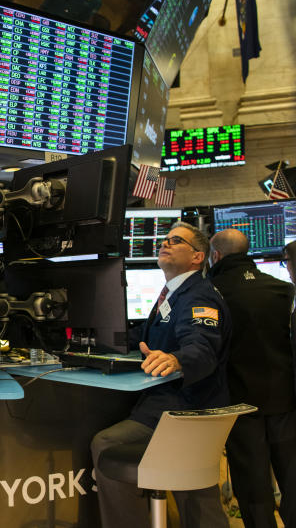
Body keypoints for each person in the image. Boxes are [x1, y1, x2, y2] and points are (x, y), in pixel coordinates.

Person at [91, 221, 231, 528]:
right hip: (167, 405)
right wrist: (96, 340)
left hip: (185, 410)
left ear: (198, 257)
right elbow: (145, 334)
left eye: (175, 240)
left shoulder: (199, 297)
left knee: (108, 445)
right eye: (164, 239)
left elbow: (202, 348)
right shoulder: (173, 292)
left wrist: (176, 359)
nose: (164, 243)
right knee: (196, 496)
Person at [210, 229, 296, 527]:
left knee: (253, 490)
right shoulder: (283, 288)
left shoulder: (212, 292)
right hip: (284, 398)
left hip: (240, 404)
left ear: (215, 256)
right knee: (293, 481)